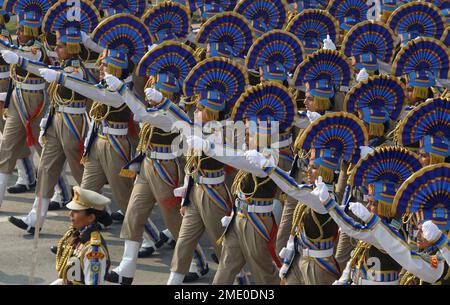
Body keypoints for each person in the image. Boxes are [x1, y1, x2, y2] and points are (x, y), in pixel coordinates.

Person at [7, 0, 100, 234]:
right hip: (57, 122)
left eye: (60, 46)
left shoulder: (78, 70)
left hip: (74, 124)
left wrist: (21, 60)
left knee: (82, 174)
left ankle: (95, 216)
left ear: (72, 47)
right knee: (46, 169)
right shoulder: (62, 67)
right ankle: (34, 219)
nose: (55, 50)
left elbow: (54, 77)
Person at [0, 0, 51, 209]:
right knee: (6, 148)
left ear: (31, 30)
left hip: (34, 100)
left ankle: (61, 192)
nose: (18, 32)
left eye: (21, 29)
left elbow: (19, 55)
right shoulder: (21, 46)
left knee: (45, 151)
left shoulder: (36, 49)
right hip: (17, 97)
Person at [51, 186, 111, 285]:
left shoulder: (93, 249)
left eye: (76, 211)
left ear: (91, 217)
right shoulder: (78, 235)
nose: (70, 214)